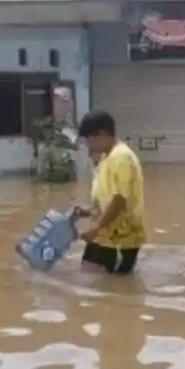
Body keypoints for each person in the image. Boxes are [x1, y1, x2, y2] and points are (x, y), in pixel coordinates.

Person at [74, 110, 146, 275]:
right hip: (105, 235)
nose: (89, 145)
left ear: (103, 134)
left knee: (113, 285)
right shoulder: (107, 157)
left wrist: (96, 228)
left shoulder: (121, 158)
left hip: (120, 239)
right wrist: (88, 211)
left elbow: (119, 199)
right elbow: (106, 196)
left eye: (90, 140)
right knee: (87, 270)